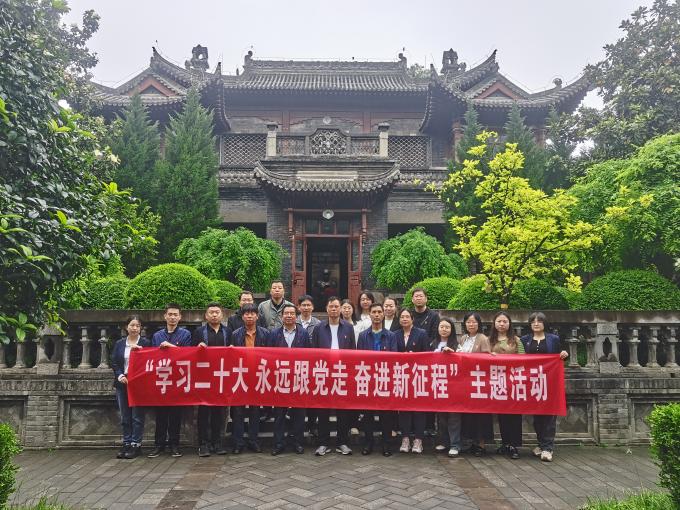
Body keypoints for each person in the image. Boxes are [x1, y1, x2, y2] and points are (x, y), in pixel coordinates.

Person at [520, 312, 569, 463]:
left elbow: (561, 356)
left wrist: (564, 354)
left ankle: (548, 448)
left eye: (539, 321)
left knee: (549, 415)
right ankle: (541, 444)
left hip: (550, 381)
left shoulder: (553, 339)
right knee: (537, 416)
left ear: (544, 323)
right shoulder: (525, 340)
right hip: (532, 382)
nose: (536, 324)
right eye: (533, 321)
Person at [311, 296, 356, 456]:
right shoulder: (319, 328)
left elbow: (353, 351)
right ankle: (323, 443)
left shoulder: (348, 328)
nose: (334, 309)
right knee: (323, 410)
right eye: (331, 306)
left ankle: (342, 442)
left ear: (341, 309)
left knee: (342, 410)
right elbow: (314, 352)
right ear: (327, 309)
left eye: (337, 306)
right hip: (324, 372)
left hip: (342, 373)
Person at [356, 303, 401, 456]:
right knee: (367, 414)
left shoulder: (391, 336)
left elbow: (394, 357)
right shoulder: (363, 335)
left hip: (384, 379)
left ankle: (386, 444)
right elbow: (359, 358)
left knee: (386, 415)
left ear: (383, 314)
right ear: (369, 315)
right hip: (367, 379)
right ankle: (368, 443)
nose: (376, 315)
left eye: (379, 312)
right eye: (374, 312)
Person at [148, 304, 192, 458]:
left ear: (180, 317)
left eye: (175, 315)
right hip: (162, 378)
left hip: (178, 379)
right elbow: (152, 355)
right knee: (160, 415)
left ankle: (174, 444)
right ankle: (158, 445)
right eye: (170, 314)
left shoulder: (185, 334)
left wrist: (171, 347)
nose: (173, 317)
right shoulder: (157, 335)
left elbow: (187, 354)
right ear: (165, 316)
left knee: (175, 415)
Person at [270, 304, 311, 455]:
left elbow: (309, 355)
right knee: (279, 413)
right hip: (279, 378)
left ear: (296, 316)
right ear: (281, 317)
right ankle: (278, 443)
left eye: (292, 313)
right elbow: (269, 355)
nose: (288, 316)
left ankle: (297, 442)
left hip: (298, 378)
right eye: (286, 313)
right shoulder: (274, 334)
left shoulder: (303, 333)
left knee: (299, 413)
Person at [230, 303, 271, 453]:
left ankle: (253, 440)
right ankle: (238, 442)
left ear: (257, 316)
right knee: (238, 411)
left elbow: (270, 355)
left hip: (258, 375)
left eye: (252, 313)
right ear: (242, 317)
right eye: (246, 314)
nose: (249, 316)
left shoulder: (265, 333)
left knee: (255, 410)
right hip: (240, 375)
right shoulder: (235, 334)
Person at [192, 303, 230, 457]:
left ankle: (217, 442)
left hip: (221, 377)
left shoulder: (227, 331)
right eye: (211, 312)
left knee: (219, 412)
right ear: (206, 316)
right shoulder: (199, 332)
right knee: (203, 412)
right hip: (204, 377)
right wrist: (198, 347)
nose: (214, 315)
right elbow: (189, 353)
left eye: (217, 312)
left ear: (222, 315)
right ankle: (203, 444)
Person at [111, 316, 150, 459]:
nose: (134, 328)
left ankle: (136, 444)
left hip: (138, 384)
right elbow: (114, 362)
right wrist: (120, 375)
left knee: (137, 416)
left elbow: (150, 362)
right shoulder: (120, 343)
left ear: (141, 328)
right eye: (132, 325)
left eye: (137, 326)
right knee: (125, 416)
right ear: (126, 327)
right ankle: (126, 443)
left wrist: (139, 352)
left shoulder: (145, 343)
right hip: (122, 383)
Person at [489, 311, 525, 460]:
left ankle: (514, 445)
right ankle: (505, 443)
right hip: (497, 381)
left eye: (505, 321)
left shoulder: (516, 340)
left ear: (509, 324)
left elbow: (524, 359)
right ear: (494, 323)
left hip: (514, 380)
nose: (502, 324)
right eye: (499, 321)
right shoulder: (489, 340)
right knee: (501, 414)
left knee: (514, 413)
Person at [394, 308, 430, 453]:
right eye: (402, 317)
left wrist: (413, 356)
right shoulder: (395, 334)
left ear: (412, 319)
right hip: (401, 376)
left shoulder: (421, 333)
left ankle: (418, 440)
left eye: (407, 316)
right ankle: (405, 439)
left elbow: (427, 354)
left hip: (418, 376)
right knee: (404, 409)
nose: (404, 319)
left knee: (419, 409)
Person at [458, 312, 493, 457]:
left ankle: (481, 444)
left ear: (479, 324)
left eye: (474, 322)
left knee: (481, 413)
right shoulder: (463, 338)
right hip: (466, 381)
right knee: (469, 413)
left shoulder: (483, 338)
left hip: (480, 380)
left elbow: (487, 358)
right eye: (468, 322)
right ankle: (472, 442)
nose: (471, 324)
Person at [431, 318, 459, 455]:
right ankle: (443, 442)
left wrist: (453, 353)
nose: (444, 329)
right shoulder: (432, 343)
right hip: (437, 383)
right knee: (440, 415)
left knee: (454, 415)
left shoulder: (457, 344)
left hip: (454, 384)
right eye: (442, 326)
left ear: (452, 329)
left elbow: (462, 360)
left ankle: (455, 444)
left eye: (447, 327)